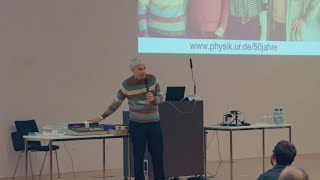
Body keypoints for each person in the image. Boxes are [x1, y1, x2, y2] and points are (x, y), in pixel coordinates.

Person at [89, 57, 165, 180]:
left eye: (144, 68)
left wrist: (154, 99)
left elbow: (161, 97)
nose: (143, 71)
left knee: (158, 155)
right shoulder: (127, 84)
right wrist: (102, 116)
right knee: (138, 156)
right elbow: (116, 103)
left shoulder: (152, 79)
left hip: (154, 124)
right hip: (137, 125)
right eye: (140, 69)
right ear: (133, 70)